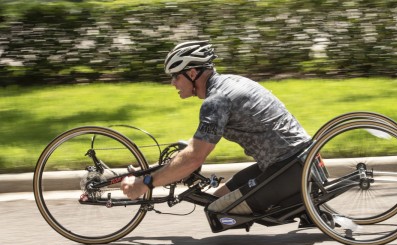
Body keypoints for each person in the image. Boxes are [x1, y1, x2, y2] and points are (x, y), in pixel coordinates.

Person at [121, 40, 311, 215]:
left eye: (175, 77)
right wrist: (154, 170)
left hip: (289, 169)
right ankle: (304, 207)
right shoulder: (230, 83)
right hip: (299, 161)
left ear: (192, 73)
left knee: (218, 212)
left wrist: (145, 184)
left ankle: (301, 207)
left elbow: (195, 157)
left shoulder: (216, 101)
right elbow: (200, 142)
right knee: (215, 198)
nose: (172, 83)